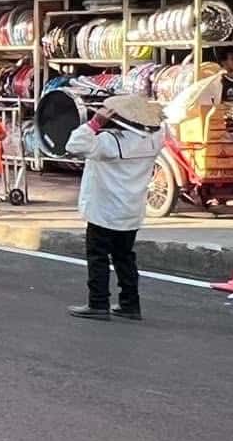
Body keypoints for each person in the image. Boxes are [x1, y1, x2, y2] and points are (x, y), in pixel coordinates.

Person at [66, 94, 166, 321]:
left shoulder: (108, 142)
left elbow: (73, 144)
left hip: (104, 209)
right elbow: (160, 125)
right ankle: (130, 303)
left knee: (98, 256)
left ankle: (98, 302)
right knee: (125, 257)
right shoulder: (154, 139)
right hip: (131, 209)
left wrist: (95, 122)